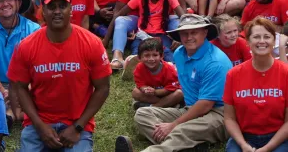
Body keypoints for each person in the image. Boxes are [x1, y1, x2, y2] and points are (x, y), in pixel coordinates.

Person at [8, 0, 111, 152]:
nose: (57, 11)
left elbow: (103, 88)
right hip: (39, 124)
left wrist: (78, 127)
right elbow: (19, 87)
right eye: (51, 7)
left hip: (77, 125)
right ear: (43, 11)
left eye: (62, 6)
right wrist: (40, 126)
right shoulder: (26, 46)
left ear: (71, 10)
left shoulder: (92, 43)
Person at [117, 14, 232, 152]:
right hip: (190, 108)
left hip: (220, 114)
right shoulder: (179, 53)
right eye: (185, 33)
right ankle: (189, 147)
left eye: (194, 32)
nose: (189, 37)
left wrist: (174, 124)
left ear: (205, 32)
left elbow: (206, 104)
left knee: (181, 129)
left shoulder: (215, 62)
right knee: (142, 114)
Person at [224, 17, 288, 152]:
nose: (262, 41)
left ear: (273, 41)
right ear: (247, 41)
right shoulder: (233, 74)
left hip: (279, 137)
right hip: (245, 137)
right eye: (256, 37)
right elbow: (229, 118)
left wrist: (267, 148)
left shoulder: (285, 73)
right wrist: (243, 145)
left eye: (267, 36)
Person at [129, 38, 183, 110]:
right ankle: (167, 105)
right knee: (135, 92)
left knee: (179, 93)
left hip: (167, 94)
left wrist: (155, 92)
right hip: (152, 97)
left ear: (161, 56)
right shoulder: (139, 68)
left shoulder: (169, 69)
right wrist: (145, 89)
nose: (151, 59)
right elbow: (140, 84)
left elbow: (171, 88)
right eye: (147, 55)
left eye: (155, 55)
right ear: (139, 58)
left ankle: (152, 107)